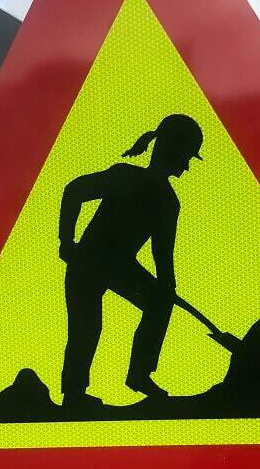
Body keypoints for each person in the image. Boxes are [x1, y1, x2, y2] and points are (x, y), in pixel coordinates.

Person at [58, 114, 203, 410]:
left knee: (159, 303)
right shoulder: (125, 177)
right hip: (87, 263)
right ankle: (74, 395)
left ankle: (139, 375)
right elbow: (74, 191)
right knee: (86, 329)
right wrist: (66, 242)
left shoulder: (168, 201)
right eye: (186, 157)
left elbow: (162, 252)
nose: (187, 166)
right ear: (172, 150)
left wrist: (167, 289)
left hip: (120, 267)